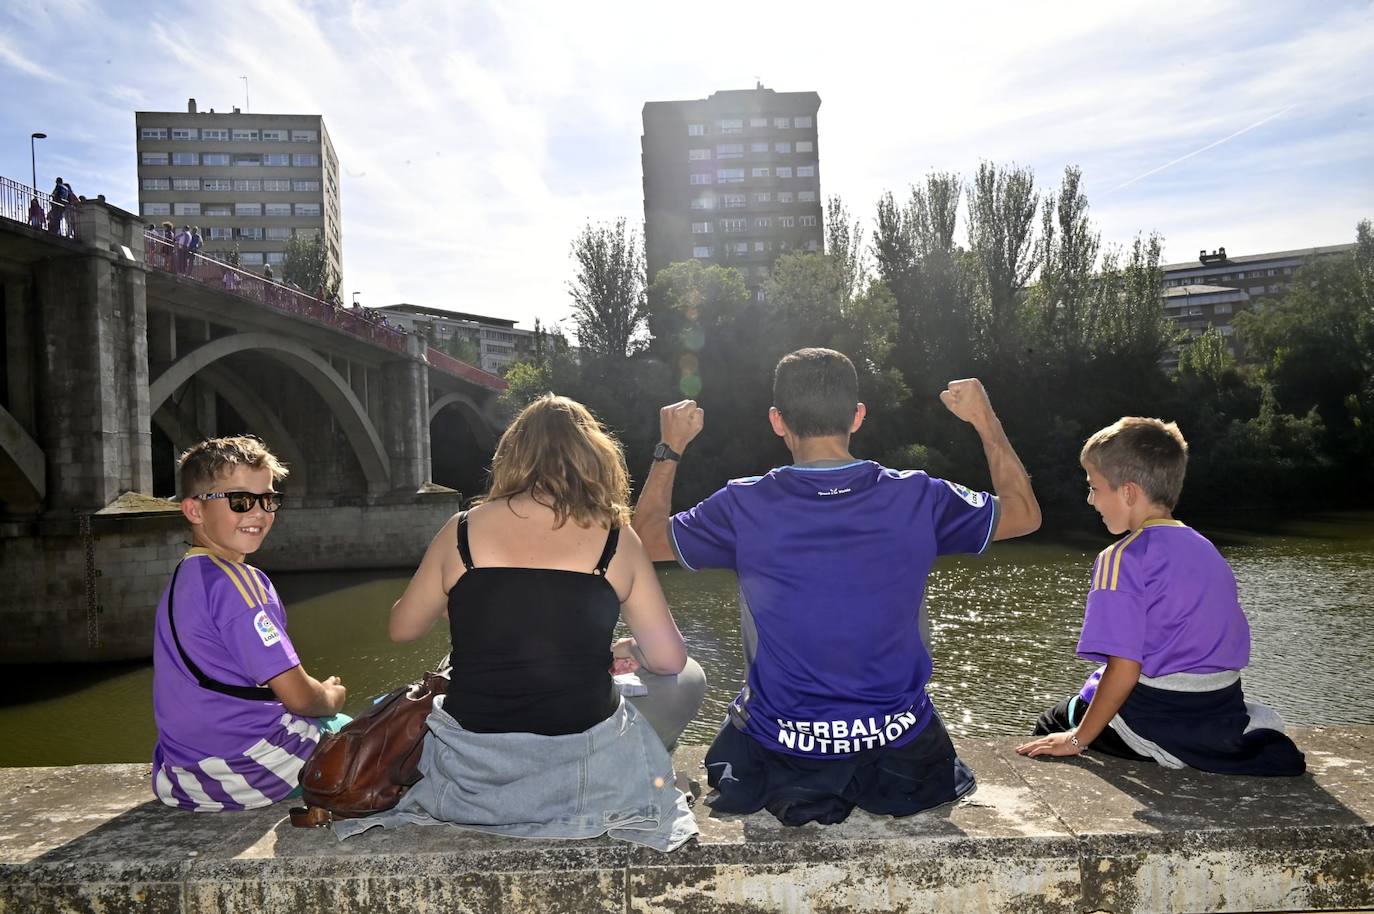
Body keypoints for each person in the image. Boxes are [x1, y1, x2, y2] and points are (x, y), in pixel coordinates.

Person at [633, 348, 1041, 827]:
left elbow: (645, 541)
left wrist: (670, 447)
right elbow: (1023, 514)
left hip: (784, 749)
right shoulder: (917, 496)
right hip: (900, 747)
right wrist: (985, 420)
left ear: (777, 421)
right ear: (857, 416)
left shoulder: (744, 504)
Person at [368, 395, 704, 850]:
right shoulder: (615, 537)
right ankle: (646, 769)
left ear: (514, 456)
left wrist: (455, 599)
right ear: (594, 456)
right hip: (581, 768)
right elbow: (668, 660)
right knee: (687, 679)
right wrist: (632, 650)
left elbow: (402, 629)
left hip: (474, 773)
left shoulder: (461, 530)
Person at [1016, 418, 1306, 775]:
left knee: (1054, 721)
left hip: (1160, 715)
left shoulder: (1121, 557)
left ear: (1128, 492)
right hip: (1219, 707)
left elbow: (1124, 670)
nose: (1091, 500)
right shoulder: (1205, 548)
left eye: (1094, 488)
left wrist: (1077, 739)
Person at [151, 436, 350, 811]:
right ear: (194, 511)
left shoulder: (186, 576)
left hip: (184, 771)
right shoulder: (240, 585)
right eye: (241, 501)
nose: (258, 513)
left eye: (268, 500)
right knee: (369, 735)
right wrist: (330, 696)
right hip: (246, 768)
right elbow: (300, 697)